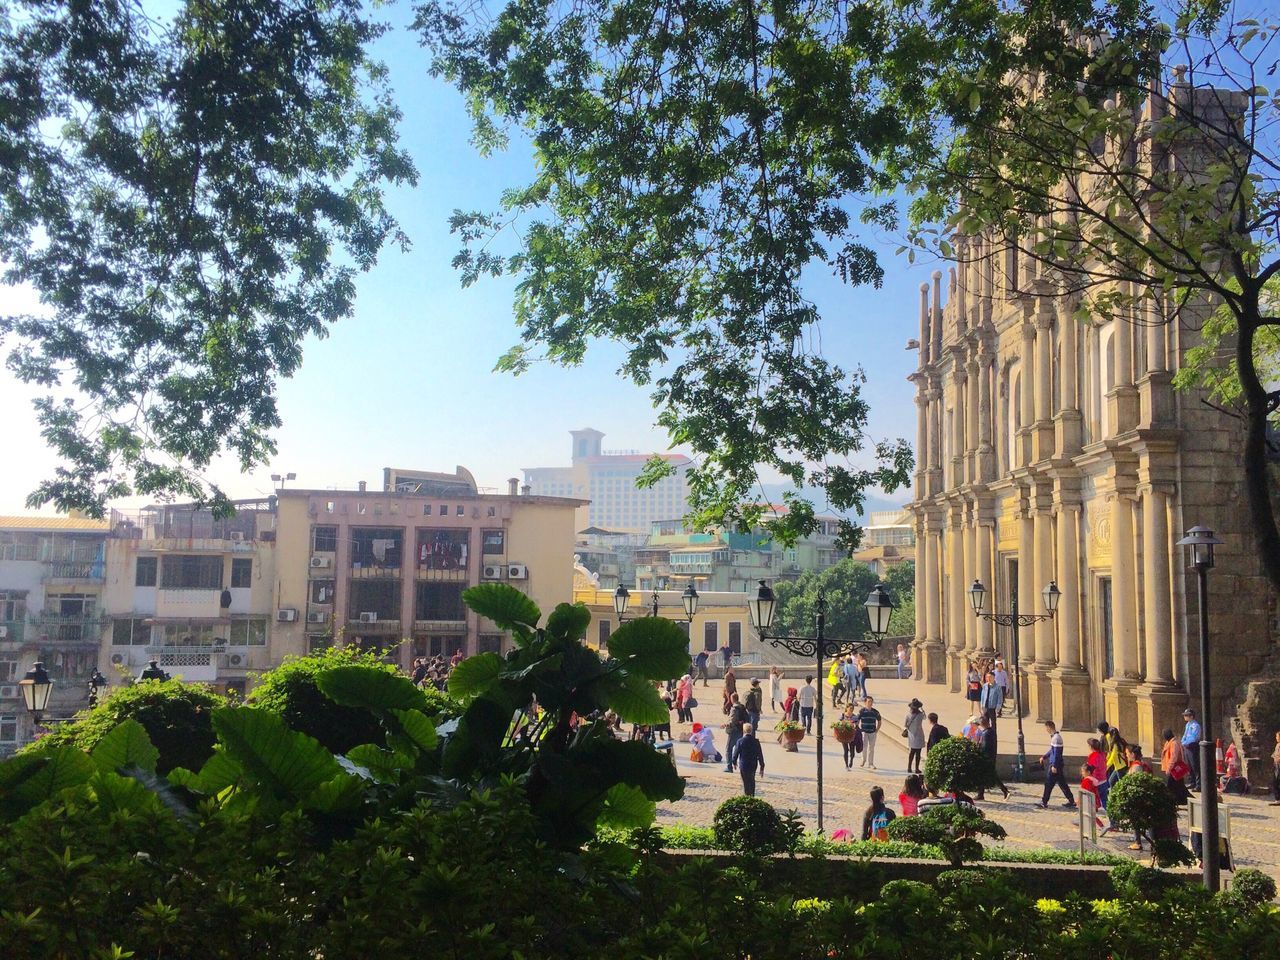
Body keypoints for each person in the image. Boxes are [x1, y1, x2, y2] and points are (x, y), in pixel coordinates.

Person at [1037, 720, 1076, 810]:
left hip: (1055, 765)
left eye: (1046, 728)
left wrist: (1054, 765)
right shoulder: (1055, 737)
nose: (1046, 730)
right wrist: (1044, 757)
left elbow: (1056, 753)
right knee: (1062, 784)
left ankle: (1044, 802)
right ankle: (1071, 800)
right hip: (1057, 764)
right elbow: (1052, 751)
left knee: (1048, 784)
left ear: (1049, 727)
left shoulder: (1056, 738)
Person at [729, 722, 765, 796]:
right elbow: (760, 754)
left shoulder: (740, 741)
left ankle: (747, 795)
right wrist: (762, 766)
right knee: (752, 779)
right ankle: (752, 795)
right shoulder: (756, 741)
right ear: (751, 731)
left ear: (743, 731)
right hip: (753, 764)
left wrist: (734, 762)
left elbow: (735, 753)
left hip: (744, 764)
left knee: (745, 781)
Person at [1161, 727, 1190, 806]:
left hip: (1174, 769)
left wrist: (1169, 768)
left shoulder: (1174, 743)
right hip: (1171, 768)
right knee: (1179, 786)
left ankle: (1172, 801)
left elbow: (1173, 757)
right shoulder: (1168, 742)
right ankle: (1182, 800)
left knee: (1171, 786)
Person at [978, 671, 1003, 746]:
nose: (988, 679)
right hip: (985, 706)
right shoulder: (985, 686)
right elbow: (982, 695)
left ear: (993, 678)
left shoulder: (997, 687)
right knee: (985, 722)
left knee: (993, 723)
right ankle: (985, 735)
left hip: (992, 707)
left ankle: (993, 736)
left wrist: (998, 708)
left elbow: (1000, 698)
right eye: (987, 677)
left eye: (990, 677)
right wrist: (982, 705)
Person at [724, 694, 748, 771]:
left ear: (732, 699)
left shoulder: (734, 708)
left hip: (734, 730)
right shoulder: (742, 707)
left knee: (728, 749)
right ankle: (742, 766)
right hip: (741, 730)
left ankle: (729, 766)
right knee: (739, 749)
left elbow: (732, 720)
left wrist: (726, 725)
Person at [857, 696, 882, 769]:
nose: (870, 703)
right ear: (865, 702)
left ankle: (871, 763)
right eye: (868, 701)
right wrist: (858, 729)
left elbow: (879, 721)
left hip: (872, 732)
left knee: (871, 748)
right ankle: (863, 760)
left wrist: (876, 730)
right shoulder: (861, 711)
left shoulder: (875, 712)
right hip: (864, 731)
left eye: (871, 701)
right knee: (864, 747)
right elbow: (857, 720)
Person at [1180, 708, 1202, 791]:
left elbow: (1193, 738)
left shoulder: (1196, 726)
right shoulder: (1188, 725)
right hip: (1187, 747)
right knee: (1188, 765)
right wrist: (1183, 742)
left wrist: (1184, 743)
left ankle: (1198, 784)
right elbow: (1185, 735)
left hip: (1193, 746)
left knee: (1195, 765)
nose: (1185, 717)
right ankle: (1192, 782)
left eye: (1186, 715)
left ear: (1191, 716)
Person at [902, 698, 926, 775]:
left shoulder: (908, 715)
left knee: (912, 752)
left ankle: (909, 767)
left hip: (911, 735)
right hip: (919, 735)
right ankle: (916, 768)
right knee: (918, 753)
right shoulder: (920, 715)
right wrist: (922, 709)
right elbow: (925, 717)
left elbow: (905, 725)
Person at [839, 702, 859, 769]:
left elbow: (857, 725)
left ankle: (851, 760)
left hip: (852, 735)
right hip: (844, 735)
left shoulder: (854, 716)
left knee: (852, 752)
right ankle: (846, 765)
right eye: (850, 708)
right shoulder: (842, 715)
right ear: (846, 708)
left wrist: (855, 726)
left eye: (852, 708)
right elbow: (839, 724)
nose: (851, 709)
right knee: (846, 750)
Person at [1270, 730, 1280, 805]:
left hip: (1279, 765)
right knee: (1275, 781)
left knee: (1276, 782)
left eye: (1277, 736)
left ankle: (1278, 799)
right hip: (1276, 764)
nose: (1276, 738)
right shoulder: (1277, 745)